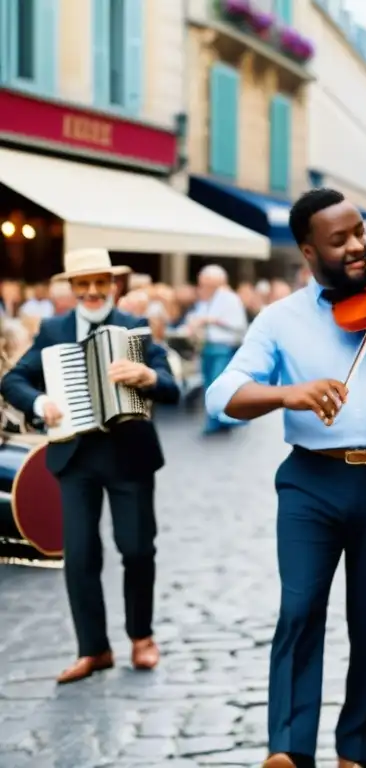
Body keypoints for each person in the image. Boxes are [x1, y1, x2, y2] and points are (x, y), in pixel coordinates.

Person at [204, 188, 366, 768]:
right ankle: (288, 750)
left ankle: (357, 752)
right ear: (308, 250)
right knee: (299, 611)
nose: (358, 247)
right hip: (311, 482)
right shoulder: (280, 319)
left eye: (360, 234)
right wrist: (288, 393)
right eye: (340, 240)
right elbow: (221, 395)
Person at [0, 248, 180, 683]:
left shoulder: (133, 328)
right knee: (80, 557)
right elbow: (13, 380)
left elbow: (174, 387)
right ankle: (93, 649)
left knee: (137, 550)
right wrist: (42, 402)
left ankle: (141, 637)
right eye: (84, 284)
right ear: (72, 288)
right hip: (75, 457)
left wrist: (149, 378)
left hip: (129, 456)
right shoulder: (54, 330)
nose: (94, 291)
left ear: (113, 285)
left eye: (101, 282)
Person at [190, 264, 249, 434]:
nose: (203, 287)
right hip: (207, 346)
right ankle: (218, 419)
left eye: (206, 283)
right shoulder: (206, 299)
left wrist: (211, 320)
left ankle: (219, 420)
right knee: (209, 384)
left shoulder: (230, 299)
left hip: (223, 347)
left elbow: (239, 325)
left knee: (218, 385)